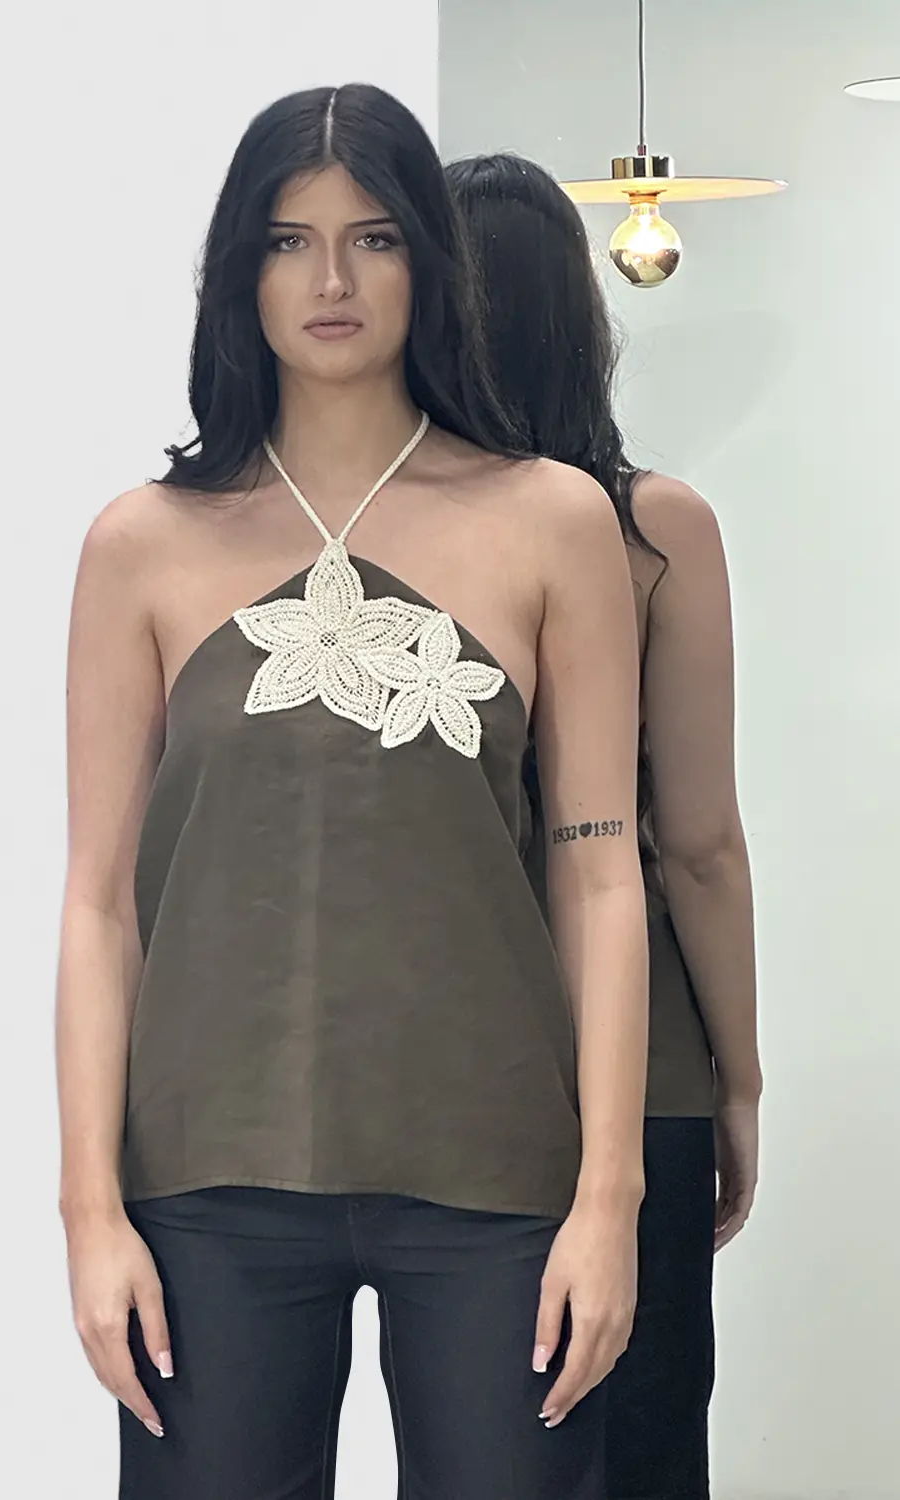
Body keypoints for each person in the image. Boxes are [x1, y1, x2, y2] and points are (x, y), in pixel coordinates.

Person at [55, 86, 650, 1500]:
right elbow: (96, 904)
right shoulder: (142, 545)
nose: (330, 279)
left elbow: (598, 872)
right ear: (237, 272)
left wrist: (609, 1198)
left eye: (373, 237)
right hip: (206, 1182)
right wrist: (88, 1209)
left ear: (428, 261)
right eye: (288, 240)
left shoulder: (551, 520)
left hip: (500, 1176)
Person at [446, 151, 762, 1500]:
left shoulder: (401, 545)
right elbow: (697, 842)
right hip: (647, 1066)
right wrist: (740, 1079)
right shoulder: (654, 530)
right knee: (640, 1448)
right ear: (581, 321)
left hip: (453, 1066)